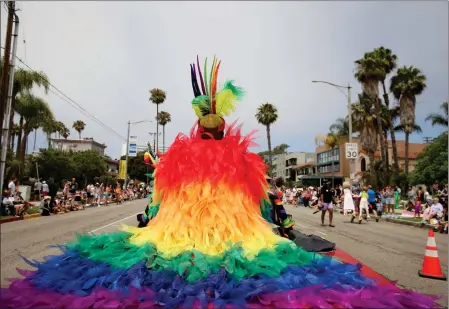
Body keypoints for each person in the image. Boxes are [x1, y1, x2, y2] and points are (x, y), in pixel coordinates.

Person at [0, 56, 439, 309]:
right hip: (240, 240)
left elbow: (159, 202)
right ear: (224, 130)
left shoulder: (177, 157)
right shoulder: (242, 157)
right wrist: (282, 227)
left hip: (174, 239)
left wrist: (147, 220)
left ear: (198, 128)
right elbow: (263, 202)